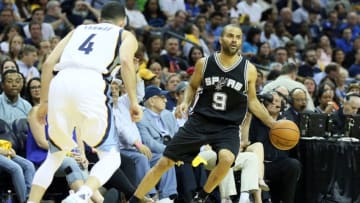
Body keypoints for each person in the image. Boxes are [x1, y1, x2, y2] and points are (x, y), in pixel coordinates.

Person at [131, 24, 276, 203]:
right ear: (221, 39)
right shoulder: (205, 63)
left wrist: (272, 124)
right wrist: (185, 102)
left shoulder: (249, 70)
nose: (234, 40)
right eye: (230, 36)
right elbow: (192, 86)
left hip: (228, 126)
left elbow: (252, 101)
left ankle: (202, 196)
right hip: (200, 121)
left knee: (227, 158)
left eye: (238, 37)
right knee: (165, 162)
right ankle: (135, 199)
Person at [28, 2, 141, 203]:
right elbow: (125, 62)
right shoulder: (125, 35)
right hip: (92, 81)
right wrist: (133, 101)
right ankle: (81, 195)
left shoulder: (78, 29)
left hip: (61, 81)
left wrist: (44, 101)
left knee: (54, 157)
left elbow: (47, 63)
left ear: (99, 19)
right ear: (123, 21)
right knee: (111, 157)